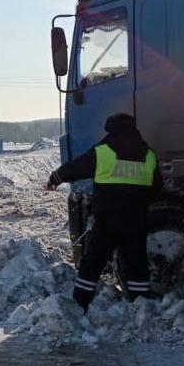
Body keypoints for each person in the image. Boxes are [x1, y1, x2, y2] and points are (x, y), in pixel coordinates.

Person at [45, 113, 162, 310]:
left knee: (93, 261)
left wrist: (55, 178)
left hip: (108, 219)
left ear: (111, 130)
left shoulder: (103, 152)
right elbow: (157, 185)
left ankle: (80, 303)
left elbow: (75, 169)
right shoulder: (148, 154)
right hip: (136, 220)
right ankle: (140, 305)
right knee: (136, 262)